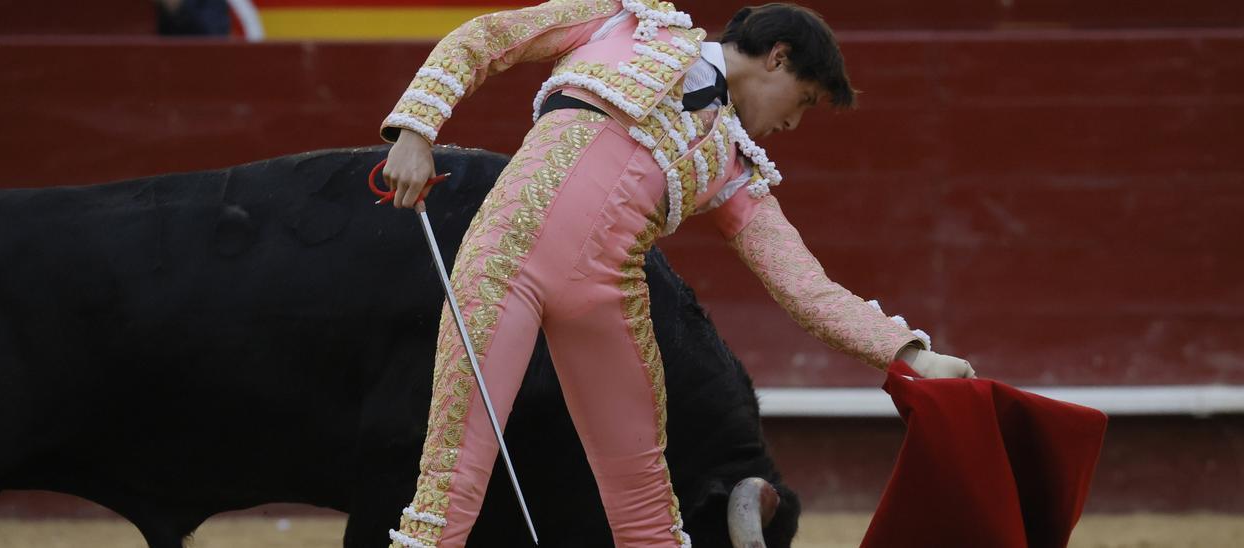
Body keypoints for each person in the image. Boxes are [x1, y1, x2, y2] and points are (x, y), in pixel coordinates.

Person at [377, 1, 976, 546]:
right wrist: (416, 129)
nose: (793, 126)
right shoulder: (626, 24)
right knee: (448, 486)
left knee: (647, 514)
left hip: (606, 303)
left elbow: (803, 285)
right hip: (504, 268)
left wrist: (911, 356)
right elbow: (488, 35)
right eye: (805, 100)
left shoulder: (734, 166)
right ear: (779, 57)